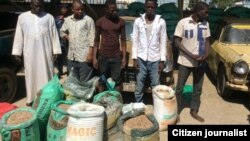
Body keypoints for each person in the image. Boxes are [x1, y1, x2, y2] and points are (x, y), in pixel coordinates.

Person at [12, 0, 61, 106]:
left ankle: (47, 98)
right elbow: (19, 35)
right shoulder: (23, 18)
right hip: (30, 53)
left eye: (40, 6)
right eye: (36, 6)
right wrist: (17, 51)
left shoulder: (49, 17)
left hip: (45, 53)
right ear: (30, 5)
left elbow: (54, 35)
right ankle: (31, 99)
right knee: (30, 75)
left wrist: (56, 50)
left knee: (47, 74)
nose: (38, 8)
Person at [174, 2, 210, 123]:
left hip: (200, 63)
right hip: (185, 61)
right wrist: (191, 55)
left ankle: (194, 110)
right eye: (205, 12)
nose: (207, 14)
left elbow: (207, 41)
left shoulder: (206, 24)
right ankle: (177, 111)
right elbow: (177, 42)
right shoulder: (183, 23)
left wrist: (205, 55)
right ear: (198, 11)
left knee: (197, 88)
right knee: (179, 88)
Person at [132, 0, 167, 103]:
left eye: (152, 7)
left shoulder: (161, 22)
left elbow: (163, 41)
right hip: (141, 58)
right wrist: (134, 58)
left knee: (156, 85)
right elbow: (135, 40)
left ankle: (158, 106)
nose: (150, 9)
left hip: (155, 59)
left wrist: (162, 60)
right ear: (145, 7)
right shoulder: (138, 21)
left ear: (156, 7)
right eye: (148, 7)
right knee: (139, 85)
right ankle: (139, 105)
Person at [93, 0, 126, 92]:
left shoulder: (121, 22)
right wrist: (94, 57)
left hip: (116, 57)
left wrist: (123, 57)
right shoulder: (100, 22)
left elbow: (123, 40)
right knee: (102, 80)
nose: (115, 12)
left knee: (117, 81)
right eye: (112, 10)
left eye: (116, 10)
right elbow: (96, 40)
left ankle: (116, 101)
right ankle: (101, 100)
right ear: (106, 10)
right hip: (103, 56)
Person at [60, 0, 95, 82]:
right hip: (71, 57)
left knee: (84, 82)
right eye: (77, 9)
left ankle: (85, 95)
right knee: (73, 82)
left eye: (82, 9)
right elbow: (62, 31)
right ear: (72, 9)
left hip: (84, 57)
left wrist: (90, 54)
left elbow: (92, 38)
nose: (80, 11)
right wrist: (68, 37)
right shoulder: (68, 20)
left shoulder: (88, 20)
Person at [55, 4, 69, 78]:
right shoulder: (56, 19)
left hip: (68, 42)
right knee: (59, 57)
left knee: (68, 57)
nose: (64, 10)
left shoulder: (70, 18)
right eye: (62, 9)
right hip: (59, 42)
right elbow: (54, 29)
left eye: (65, 9)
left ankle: (69, 72)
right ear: (60, 10)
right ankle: (60, 71)